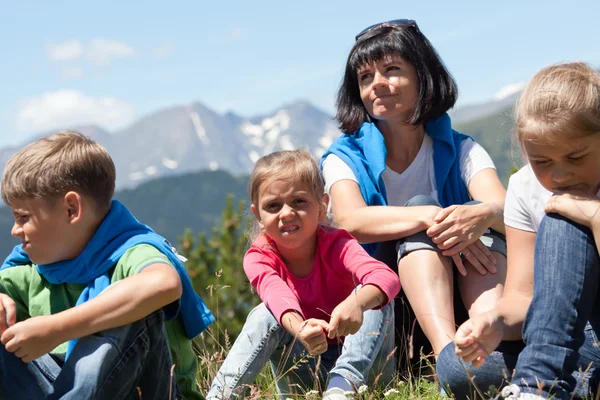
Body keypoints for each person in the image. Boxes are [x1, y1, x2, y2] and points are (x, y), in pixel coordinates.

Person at [320, 18, 508, 373]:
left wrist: (477, 217)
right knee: (426, 208)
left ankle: (488, 342)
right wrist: (432, 217)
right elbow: (350, 219)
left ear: (422, 76)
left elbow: (506, 208)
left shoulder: (462, 148)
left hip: (464, 294)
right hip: (383, 313)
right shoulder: (344, 157)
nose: (377, 84)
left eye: (392, 70)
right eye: (365, 77)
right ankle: (451, 360)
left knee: (478, 215)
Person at [0, 131, 214, 399]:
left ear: (71, 209)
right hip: (61, 388)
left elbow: (164, 284)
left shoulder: (132, 253)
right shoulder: (32, 271)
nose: (15, 231)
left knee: (130, 305)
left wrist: (55, 329)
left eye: (23, 217)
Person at [442, 62, 600, 399]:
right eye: (542, 161)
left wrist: (593, 216)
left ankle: (539, 385)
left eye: (576, 157)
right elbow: (525, 296)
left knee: (562, 220)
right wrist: (495, 321)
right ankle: (568, 384)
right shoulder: (524, 186)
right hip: (571, 341)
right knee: (456, 366)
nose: (559, 176)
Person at [206, 150, 400, 400]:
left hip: (366, 371)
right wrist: (300, 329)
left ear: (322, 207)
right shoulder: (259, 257)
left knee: (372, 296)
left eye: (299, 201)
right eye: (273, 206)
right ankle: (221, 396)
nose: (286, 213)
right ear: (259, 217)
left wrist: (356, 303)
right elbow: (275, 293)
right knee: (265, 313)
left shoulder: (338, 244)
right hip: (304, 368)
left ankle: (341, 388)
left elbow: (386, 277)